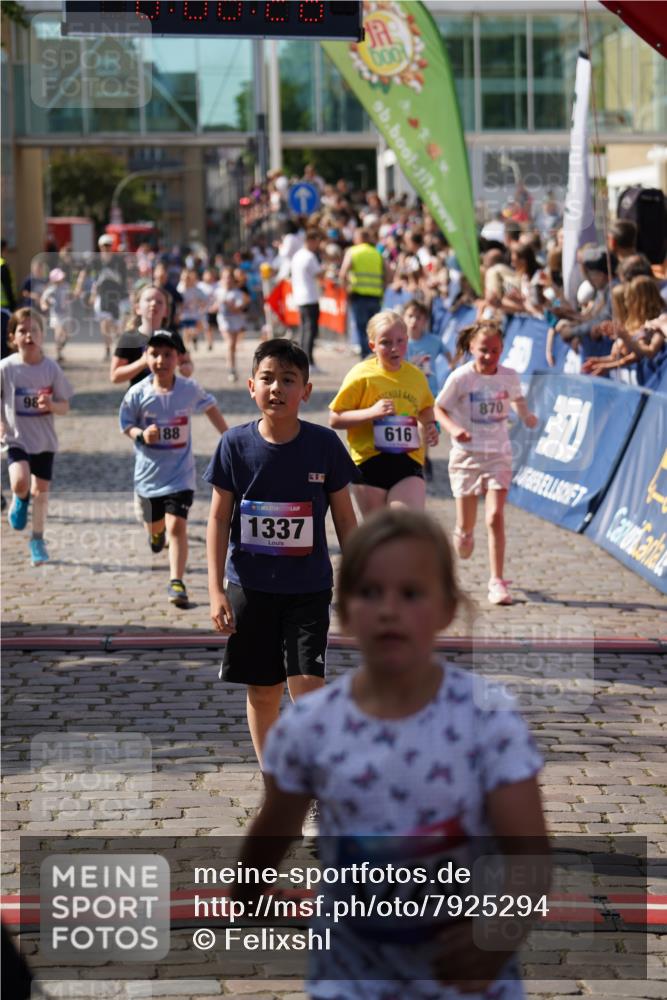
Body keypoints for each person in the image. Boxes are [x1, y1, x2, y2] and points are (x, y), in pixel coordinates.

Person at [237, 507, 548, 998]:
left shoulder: (488, 720)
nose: (389, 609)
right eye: (370, 592)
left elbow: (530, 856)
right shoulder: (311, 726)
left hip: (463, 982)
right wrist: (251, 891)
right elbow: (273, 827)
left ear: (448, 607)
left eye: (411, 593)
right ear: (342, 611)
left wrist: (496, 937)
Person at [205, 338, 358, 765]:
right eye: (268, 379)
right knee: (264, 689)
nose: (277, 388)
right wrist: (216, 591)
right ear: (251, 386)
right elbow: (218, 520)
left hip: (308, 589)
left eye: (288, 380)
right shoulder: (234, 446)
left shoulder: (325, 445)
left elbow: (346, 519)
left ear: (305, 391)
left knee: (308, 686)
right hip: (249, 588)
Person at [119, 330, 228, 608]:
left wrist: (229, 438)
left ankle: (176, 581)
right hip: (148, 476)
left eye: (168, 354)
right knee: (156, 527)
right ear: (146, 356)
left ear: (178, 358)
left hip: (181, 475)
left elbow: (211, 407)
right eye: (155, 354)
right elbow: (126, 425)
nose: (161, 360)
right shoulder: (138, 393)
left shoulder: (188, 389)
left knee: (177, 526)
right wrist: (142, 435)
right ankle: (155, 534)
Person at [434, 321, 538, 606]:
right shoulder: (461, 377)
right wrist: (454, 429)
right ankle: (464, 533)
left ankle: (497, 581)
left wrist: (526, 415)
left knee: (494, 517)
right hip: (466, 455)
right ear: (471, 348)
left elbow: (517, 399)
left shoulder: (508, 376)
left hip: (498, 454)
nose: (489, 356)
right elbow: (438, 407)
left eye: (495, 350)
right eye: (483, 350)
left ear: (502, 349)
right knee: (466, 531)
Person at [329, 309, 439, 515]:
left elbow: (425, 408)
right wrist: (370, 413)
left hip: (409, 460)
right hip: (369, 462)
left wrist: (430, 425)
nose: (394, 348)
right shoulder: (361, 375)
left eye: (400, 341)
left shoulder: (416, 376)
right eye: (386, 342)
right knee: (379, 537)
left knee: (408, 525)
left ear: (407, 341)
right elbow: (335, 418)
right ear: (372, 345)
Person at [1, 308, 73, 565]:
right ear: (12, 337)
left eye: (34, 330)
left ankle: (37, 539)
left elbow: (65, 404)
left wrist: (52, 405)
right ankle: (19, 500)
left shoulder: (50, 368)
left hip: (44, 442)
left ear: (43, 336)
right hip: (17, 437)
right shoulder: (6, 367)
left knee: (40, 493)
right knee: (20, 482)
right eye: (22, 330)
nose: (29, 335)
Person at [111, 284, 193, 387]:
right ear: (137, 308)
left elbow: (186, 362)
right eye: (148, 300)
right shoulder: (129, 338)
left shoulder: (172, 336)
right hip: (139, 399)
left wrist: (187, 369)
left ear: (166, 312)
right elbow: (115, 376)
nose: (153, 304)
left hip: (166, 397)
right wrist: (142, 362)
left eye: (159, 302)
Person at [403, 299, 443, 481]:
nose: (414, 321)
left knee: (426, 428)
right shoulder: (400, 342)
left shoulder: (433, 341)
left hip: (430, 393)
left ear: (425, 320)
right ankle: (414, 459)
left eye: (418, 317)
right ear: (404, 318)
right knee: (410, 428)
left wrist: (452, 366)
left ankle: (423, 459)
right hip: (407, 394)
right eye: (410, 316)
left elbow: (449, 353)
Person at [339, 228, 388, 357]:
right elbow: (389, 273)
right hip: (375, 296)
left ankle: (366, 358)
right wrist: (383, 288)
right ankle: (375, 356)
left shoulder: (353, 252)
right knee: (374, 328)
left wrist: (346, 290)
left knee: (362, 329)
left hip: (358, 296)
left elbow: (343, 273)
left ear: (358, 238)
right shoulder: (377, 253)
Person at [290, 228, 323, 370]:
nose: (317, 246)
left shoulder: (297, 255)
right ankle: (309, 361)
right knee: (310, 331)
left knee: (304, 330)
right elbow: (319, 275)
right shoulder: (309, 256)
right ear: (311, 241)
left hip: (299, 297)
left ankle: (303, 361)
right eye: (316, 242)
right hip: (309, 297)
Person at [214, 266, 249, 383]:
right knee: (230, 344)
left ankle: (232, 365)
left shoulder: (238, 293)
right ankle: (231, 370)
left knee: (233, 345)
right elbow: (212, 307)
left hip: (236, 320)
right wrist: (215, 306)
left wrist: (230, 305)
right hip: (224, 320)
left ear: (233, 279)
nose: (227, 280)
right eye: (224, 278)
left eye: (229, 278)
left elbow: (240, 308)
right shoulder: (218, 291)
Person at [40, 268, 71, 364]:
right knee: (58, 332)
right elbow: (43, 298)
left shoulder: (66, 286)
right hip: (56, 314)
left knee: (67, 335)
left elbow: (69, 296)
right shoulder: (51, 289)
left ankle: (60, 349)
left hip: (66, 313)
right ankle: (58, 354)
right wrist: (45, 305)